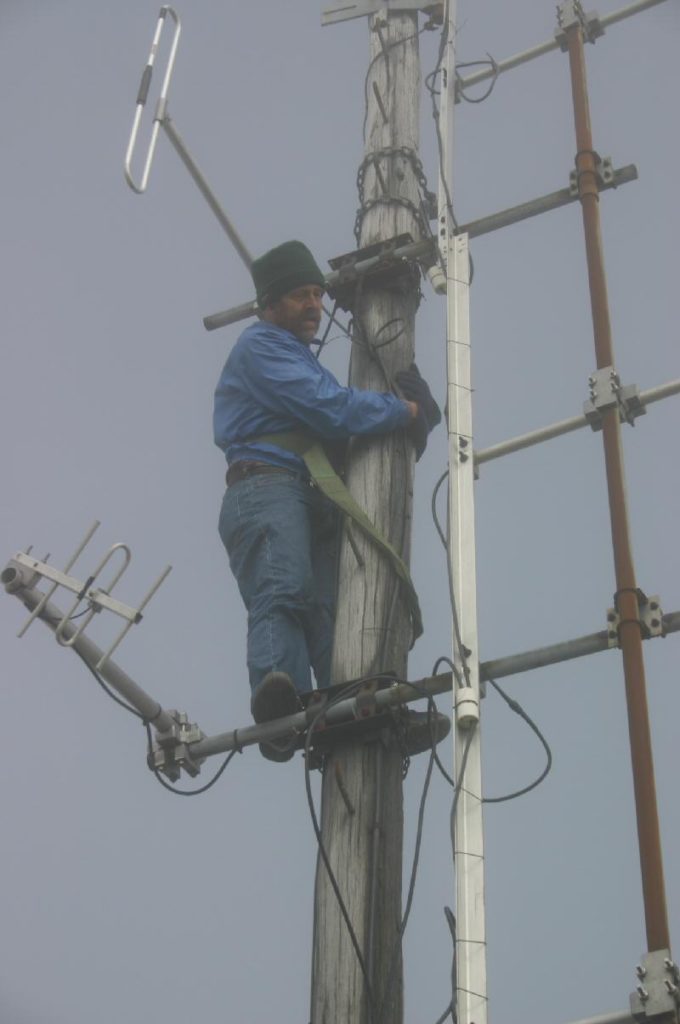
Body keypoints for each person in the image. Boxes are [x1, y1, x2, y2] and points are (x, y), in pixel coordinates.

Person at [214, 240, 446, 760]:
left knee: (333, 613)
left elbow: (338, 429)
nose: (315, 305)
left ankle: (352, 706)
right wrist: (403, 411)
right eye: (301, 296)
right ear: (270, 305)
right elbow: (330, 410)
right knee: (285, 587)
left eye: (319, 294)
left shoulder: (299, 359)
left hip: (305, 491)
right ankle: (282, 700)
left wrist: (412, 425)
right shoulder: (262, 348)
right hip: (265, 486)